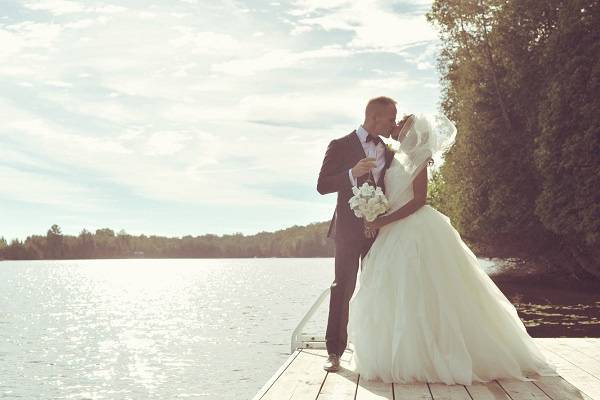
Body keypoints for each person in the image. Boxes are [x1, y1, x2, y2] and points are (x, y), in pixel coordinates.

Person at [346, 114, 559, 384]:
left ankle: (441, 354)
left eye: (402, 123)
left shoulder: (419, 159)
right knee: (397, 292)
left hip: (416, 229)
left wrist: (383, 220)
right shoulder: (395, 157)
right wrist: (374, 212)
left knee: (430, 292)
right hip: (392, 230)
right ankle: (404, 352)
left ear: (413, 132)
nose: (396, 126)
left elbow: (419, 201)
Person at [316, 96, 398, 372]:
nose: (393, 123)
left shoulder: (388, 150)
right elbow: (322, 185)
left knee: (380, 287)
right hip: (348, 231)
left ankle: (377, 350)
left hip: (381, 231)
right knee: (344, 287)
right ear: (374, 117)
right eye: (390, 118)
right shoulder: (339, 145)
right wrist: (351, 173)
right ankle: (334, 352)